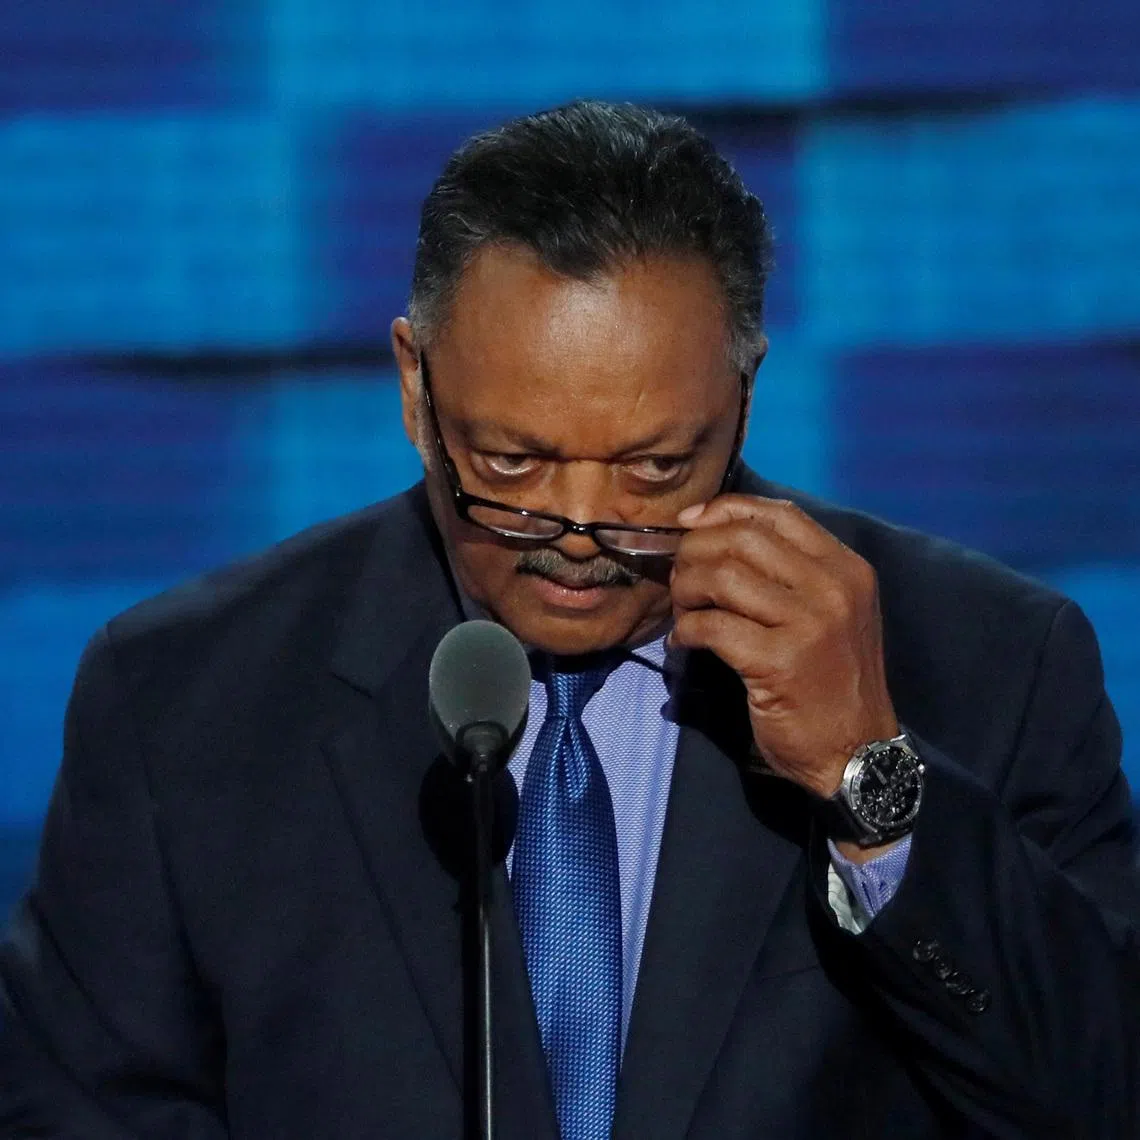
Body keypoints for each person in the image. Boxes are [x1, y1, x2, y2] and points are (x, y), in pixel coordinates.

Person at [1, 100, 1138, 1140]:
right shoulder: (184, 699)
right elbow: (83, 1112)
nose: (581, 528)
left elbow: (1097, 1095)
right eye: (512, 461)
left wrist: (868, 776)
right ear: (414, 388)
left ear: (745, 392)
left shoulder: (991, 660)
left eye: (655, 467)